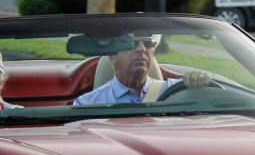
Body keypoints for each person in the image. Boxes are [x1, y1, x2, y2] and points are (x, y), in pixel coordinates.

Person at [74, 34, 210, 105]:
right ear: (113, 56)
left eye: (148, 43)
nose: (142, 49)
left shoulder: (180, 92)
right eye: (132, 43)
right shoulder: (87, 104)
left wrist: (200, 88)